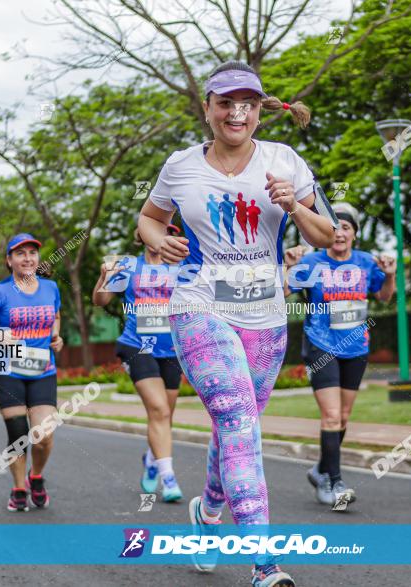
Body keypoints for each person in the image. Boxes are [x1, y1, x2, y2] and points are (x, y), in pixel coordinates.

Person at [136, 60, 336, 587]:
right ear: (208, 108)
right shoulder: (180, 165)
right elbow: (148, 219)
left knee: (237, 428)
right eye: (225, 102)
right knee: (238, 423)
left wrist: (294, 206)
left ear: (259, 113)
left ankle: (208, 516)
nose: (235, 112)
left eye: (246, 103)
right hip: (199, 307)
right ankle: (264, 564)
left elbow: (325, 236)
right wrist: (157, 240)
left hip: (267, 318)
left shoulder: (285, 161)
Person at [283, 203, 396, 507]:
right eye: (333, 228)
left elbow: (384, 296)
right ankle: (334, 482)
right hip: (321, 344)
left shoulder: (366, 262)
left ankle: (321, 469)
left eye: (346, 227)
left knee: (343, 417)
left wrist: (389, 276)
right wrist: (288, 266)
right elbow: (281, 292)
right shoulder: (311, 262)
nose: (339, 233)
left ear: (355, 234)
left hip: (356, 347)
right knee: (331, 416)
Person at [92, 225, 185, 503]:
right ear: (142, 236)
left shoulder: (182, 269)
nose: (160, 238)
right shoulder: (129, 266)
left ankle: (152, 458)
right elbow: (100, 300)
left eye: (167, 234)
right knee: (157, 408)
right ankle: (168, 478)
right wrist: (103, 277)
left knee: (165, 414)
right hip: (136, 345)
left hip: (172, 349)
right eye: (155, 232)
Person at [0, 233, 63, 512]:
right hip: (7, 369)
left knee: (44, 434)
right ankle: (18, 487)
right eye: (20, 253)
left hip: (42, 368)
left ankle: (36, 476)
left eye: (32, 253)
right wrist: (0, 336)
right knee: (18, 431)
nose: (27, 258)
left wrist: (56, 337)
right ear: (9, 260)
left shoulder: (50, 288)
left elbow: (56, 316)